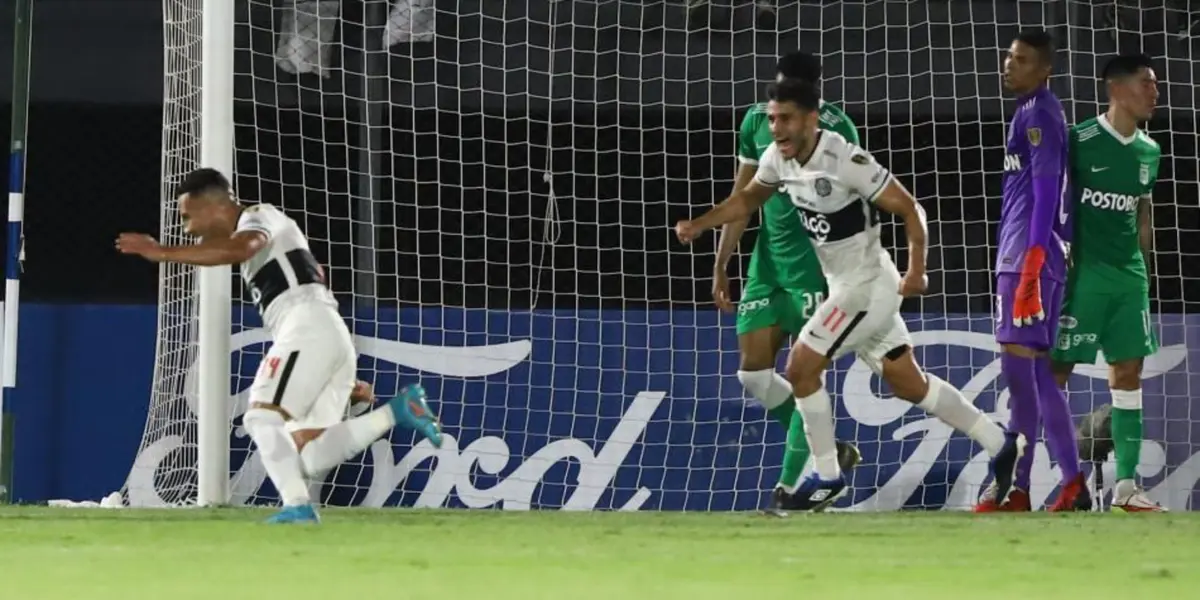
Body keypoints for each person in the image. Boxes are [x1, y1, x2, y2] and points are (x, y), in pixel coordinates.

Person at [676, 78, 1024, 512]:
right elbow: (746, 200)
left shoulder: (845, 159)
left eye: (785, 119)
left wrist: (917, 270)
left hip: (867, 288)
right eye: (772, 119)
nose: (776, 128)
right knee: (907, 382)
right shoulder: (777, 159)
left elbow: (910, 209)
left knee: (801, 367)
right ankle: (1000, 442)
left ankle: (827, 475)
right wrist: (700, 224)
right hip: (847, 286)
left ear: (810, 119)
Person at [116, 168, 444, 523]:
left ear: (212, 205)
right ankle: (398, 411)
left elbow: (245, 247)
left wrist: (162, 252)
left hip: (307, 326)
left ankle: (298, 507)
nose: (187, 229)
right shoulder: (271, 236)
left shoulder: (259, 216)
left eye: (187, 216)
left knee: (261, 417)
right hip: (325, 331)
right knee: (309, 455)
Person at [716, 51, 861, 514]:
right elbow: (743, 196)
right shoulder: (756, 121)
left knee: (805, 375)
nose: (777, 107)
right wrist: (722, 261)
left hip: (815, 267)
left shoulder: (839, 130)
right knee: (753, 374)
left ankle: (790, 490)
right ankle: (828, 449)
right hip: (767, 266)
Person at [973, 30, 1090, 513]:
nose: (1008, 65)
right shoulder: (1032, 110)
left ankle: (1017, 486)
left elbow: (1045, 192)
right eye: (1008, 56)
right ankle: (1063, 484)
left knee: (1021, 375)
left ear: (1044, 70)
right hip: (1038, 255)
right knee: (1036, 374)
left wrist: (1030, 268)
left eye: (1020, 59)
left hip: (1028, 256)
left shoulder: (1039, 113)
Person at [1050, 53, 1164, 512]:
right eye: (1146, 83)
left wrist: (1143, 275)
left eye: (1155, 84)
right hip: (1082, 277)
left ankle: (1126, 488)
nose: (1155, 92)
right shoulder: (1078, 140)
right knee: (1054, 374)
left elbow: (1142, 215)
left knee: (1129, 374)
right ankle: (1035, 478)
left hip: (1128, 281)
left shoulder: (1149, 151)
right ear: (1116, 88)